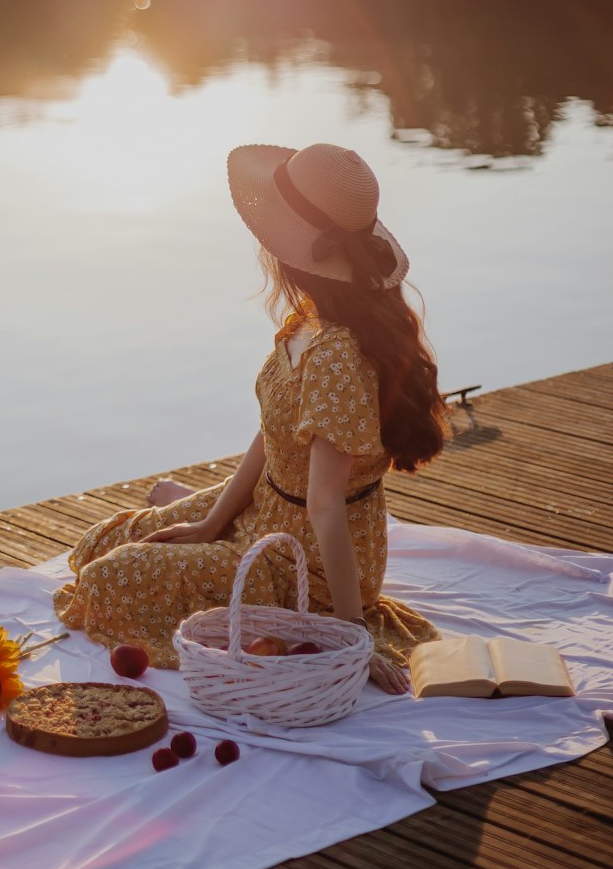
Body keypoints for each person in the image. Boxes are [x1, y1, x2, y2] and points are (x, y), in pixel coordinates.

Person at [53, 142, 450, 694]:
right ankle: (200, 517)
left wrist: (352, 632)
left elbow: (326, 504)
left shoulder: (338, 355)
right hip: (267, 504)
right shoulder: (309, 319)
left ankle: (236, 557)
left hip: (301, 561)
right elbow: (274, 431)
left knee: (103, 582)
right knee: (101, 542)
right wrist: (214, 520)